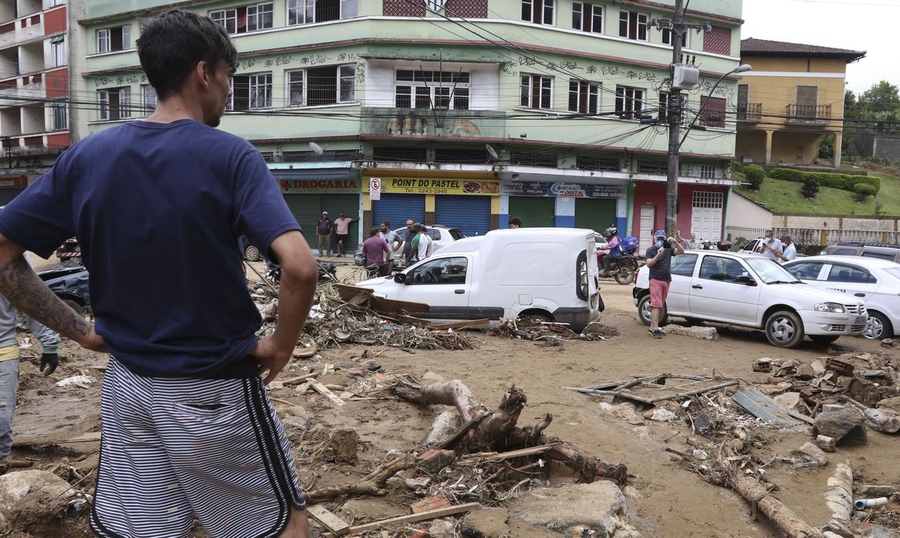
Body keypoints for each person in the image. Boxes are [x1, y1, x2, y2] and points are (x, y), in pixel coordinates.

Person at [0, 10, 317, 537]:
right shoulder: (232, 156)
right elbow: (301, 268)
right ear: (203, 73)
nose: (227, 93)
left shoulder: (88, 157)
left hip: (129, 388)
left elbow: (3, 251)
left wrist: (81, 331)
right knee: (283, 524)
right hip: (216, 392)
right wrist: (281, 346)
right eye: (228, 78)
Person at [0, 294, 59, 475]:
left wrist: (49, 344)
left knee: (1, 418)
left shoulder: (8, 266)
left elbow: (30, 301)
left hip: (3, 351)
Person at [644, 229, 684, 339]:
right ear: (654, 239)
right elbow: (649, 264)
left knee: (659, 305)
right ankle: (655, 328)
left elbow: (681, 252)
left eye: (662, 239)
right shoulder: (651, 250)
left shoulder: (668, 250)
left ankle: (652, 328)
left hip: (666, 280)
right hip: (655, 279)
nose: (660, 241)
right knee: (656, 304)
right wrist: (657, 256)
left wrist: (675, 242)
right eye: (658, 239)